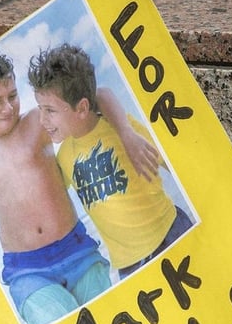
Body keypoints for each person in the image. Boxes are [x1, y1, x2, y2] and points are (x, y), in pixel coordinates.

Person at [0, 50, 155, 324]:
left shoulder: (37, 121)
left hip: (77, 252)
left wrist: (125, 132)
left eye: (13, 96)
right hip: (28, 272)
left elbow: (99, 96)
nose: (8, 108)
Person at [28, 44, 194, 280]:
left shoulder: (120, 128)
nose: (42, 119)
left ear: (82, 108)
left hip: (172, 232)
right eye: (39, 109)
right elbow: (44, 196)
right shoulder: (64, 156)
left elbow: (176, 166)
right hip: (130, 267)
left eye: (50, 110)